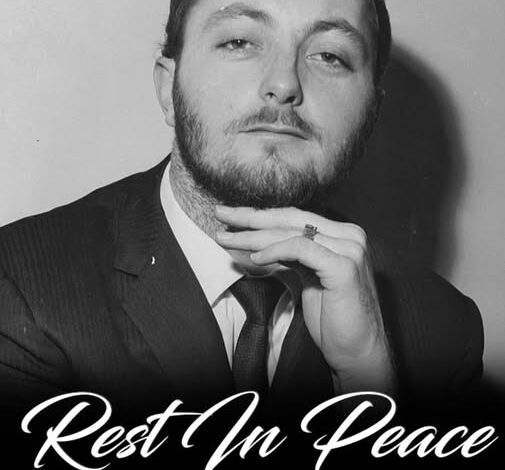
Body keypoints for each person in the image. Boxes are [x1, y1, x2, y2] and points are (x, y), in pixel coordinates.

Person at [0, 0, 484, 467]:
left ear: (370, 114)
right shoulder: (19, 284)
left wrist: (366, 381)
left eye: (329, 56)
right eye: (239, 42)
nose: (283, 84)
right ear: (169, 89)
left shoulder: (444, 329)